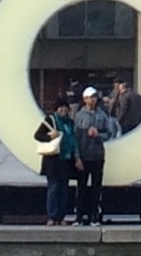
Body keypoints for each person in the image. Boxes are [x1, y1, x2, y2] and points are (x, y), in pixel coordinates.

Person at [71, 86, 119, 226]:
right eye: (89, 97)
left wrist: (98, 135)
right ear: (84, 99)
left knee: (96, 187)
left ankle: (94, 216)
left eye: (93, 97)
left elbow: (109, 133)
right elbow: (75, 138)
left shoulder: (102, 115)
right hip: (84, 156)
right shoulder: (79, 116)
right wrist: (77, 157)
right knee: (81, 187)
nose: (91, 100)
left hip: (97, 156)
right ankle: (79, 216)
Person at [34, 98, 76, 227]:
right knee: (53, 188)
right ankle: (52, 217)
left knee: (63, 190)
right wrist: (49, 136)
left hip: (66, 160)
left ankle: (61, 216)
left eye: (65, 107)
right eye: (60, 107)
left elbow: (73, 140)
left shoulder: (70, 122)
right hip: (53, 161)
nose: (63, 110)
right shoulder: (50, 121)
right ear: (56, 109)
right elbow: (37, 135)